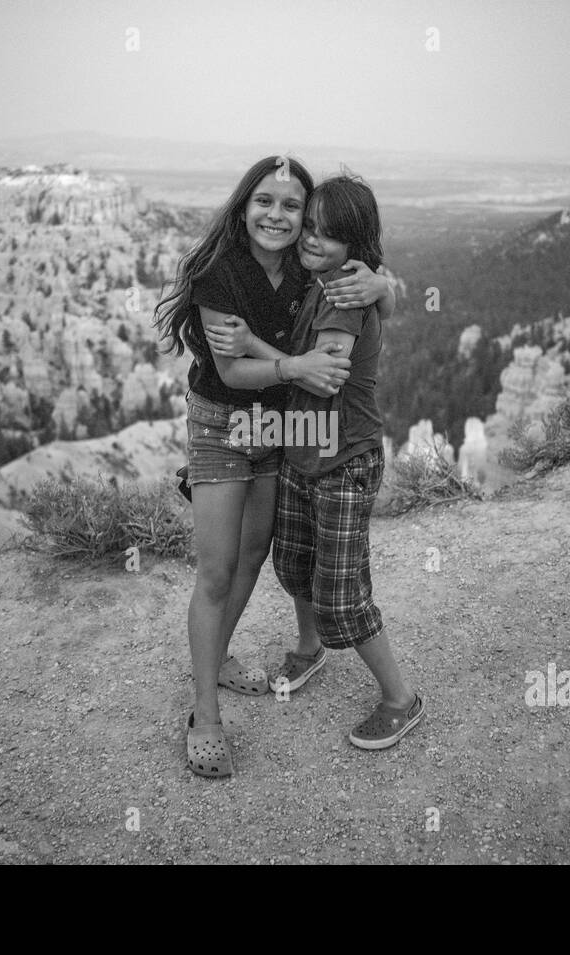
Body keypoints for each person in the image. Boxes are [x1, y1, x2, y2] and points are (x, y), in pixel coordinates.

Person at [153, 156, 393, 777]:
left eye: (293, 207)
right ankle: (204, 713)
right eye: (265, 201)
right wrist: (294, 366)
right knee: (216, 570)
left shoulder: (306, 266)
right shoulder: (218, 272)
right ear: (243, 205)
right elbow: (233, 372)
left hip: (283, 429)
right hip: (224, 425)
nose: (279, 217)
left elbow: (356, 275)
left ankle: (221, 655)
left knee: (258, 554)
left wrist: (384, 285)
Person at [208, 173, 422, 750]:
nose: (313, 240)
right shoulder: (319, 278)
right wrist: (387, 286)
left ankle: (401, 698)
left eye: (332, 235)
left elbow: (324, 378)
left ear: (355, 246)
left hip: (345, 459)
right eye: (313, 226)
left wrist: (252, 345)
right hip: (302, 452)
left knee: (341, 595)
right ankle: (308, 650)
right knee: (295, 566)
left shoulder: (346, 293)